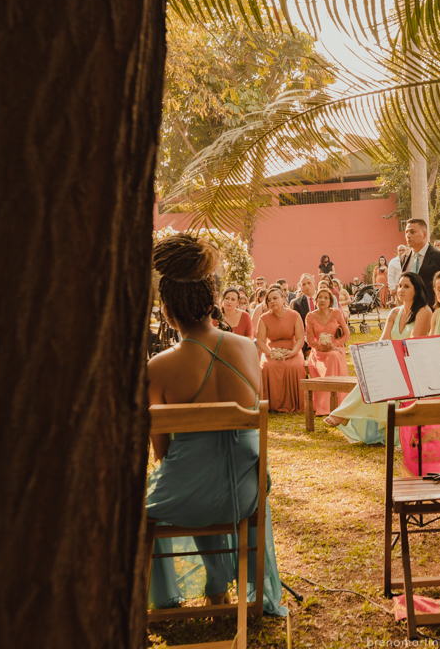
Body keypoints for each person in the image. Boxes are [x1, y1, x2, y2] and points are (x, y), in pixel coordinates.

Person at [145, 233, 285, 615]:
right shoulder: (246, 349)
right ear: (212, 303)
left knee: (173, 488)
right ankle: (223, 585)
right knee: (212, 474)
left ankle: (174, 598)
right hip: (248, 491)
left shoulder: (157, 369)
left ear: (168, 311)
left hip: (192, 493)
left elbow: (165, 455)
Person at [325, 272, 434, 443]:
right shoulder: (394, 312)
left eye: (407, 286)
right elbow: (382, 342)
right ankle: (346, 413)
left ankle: (345, 412)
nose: (401, 290)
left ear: (417, 289)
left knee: (383, 375)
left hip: (413, 363)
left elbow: (413, 344)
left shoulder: (424, 311)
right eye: (399, 286)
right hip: (393, 361)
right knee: (374, 373)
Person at [255, 286, 306, 413]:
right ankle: (270, 405)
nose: (272, 301)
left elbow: (300, 338)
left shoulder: (295, 315)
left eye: (275, 298)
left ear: (283, 299)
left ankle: (295, 403)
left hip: (292, 348)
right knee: (267, 367)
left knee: (295, 366)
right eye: (269, 299)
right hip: (271, 350)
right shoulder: (263, 318)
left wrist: (294, 352)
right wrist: (269, 353)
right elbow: (260, 341)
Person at [305, 288, 349, 416]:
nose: (322, 300)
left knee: (334, 356)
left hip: (336, 347)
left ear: (330, 301)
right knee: (331, 356)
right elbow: (309, 339)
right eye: (320, 297)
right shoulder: (310, 316)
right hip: (319, 350)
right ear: (316, 300)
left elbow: (346, 334)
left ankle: (336, 402)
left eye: (325, 298)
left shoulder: (336, 313)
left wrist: (334, 344)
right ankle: (324, 406)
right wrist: (322, 347)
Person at [400, 218, 440, 291]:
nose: (408, 235)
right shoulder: (404, 257)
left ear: (424, 234)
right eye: (406, 232)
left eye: (412, 232)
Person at [290, 274, 317, 355]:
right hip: (305, 336)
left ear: (314, 283)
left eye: (309, 283)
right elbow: (298, 325)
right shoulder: (297, 303)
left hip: (323, 333)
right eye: (304, 284)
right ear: (300, 287)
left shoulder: (324, 298)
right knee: (299, 348)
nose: (307, 286)